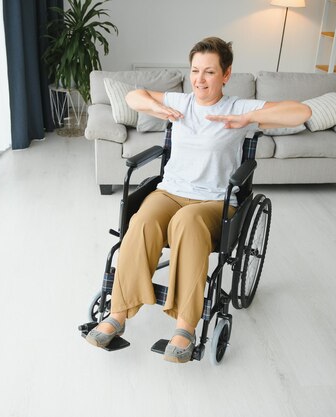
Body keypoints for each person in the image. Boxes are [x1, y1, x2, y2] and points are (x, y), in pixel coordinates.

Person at [85, 37, 311, 363]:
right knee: (143, 220)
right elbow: (133, 95)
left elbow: (301, 112)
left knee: (187, 223)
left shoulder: (239, 107)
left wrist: (248, 120)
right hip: (170, 192)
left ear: (226, 74)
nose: (200, 79)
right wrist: (155, 106)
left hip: (215, 201)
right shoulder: (182, 101)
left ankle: (185, 327)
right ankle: (118, 314)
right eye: (194, 71)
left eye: (209, 72)